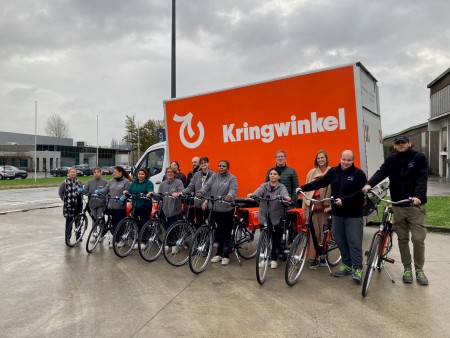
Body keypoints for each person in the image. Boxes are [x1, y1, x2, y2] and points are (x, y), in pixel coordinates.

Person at [362, 135, 429, 285]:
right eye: (397, 143)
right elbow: (381, 172)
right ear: (394, 145)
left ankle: (419, 269)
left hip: (415, 205)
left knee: (418, 239)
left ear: (409, 143)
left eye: (403, 142)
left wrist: (418, 195)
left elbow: (422, 178)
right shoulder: (392, 159)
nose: (400, 145)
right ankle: (407, 268)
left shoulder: (418, 158)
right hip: (398, 205)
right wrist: (369, 184)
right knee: (402, 238)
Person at [296, 150, 367, 284]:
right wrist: (302, 188)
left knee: (354, 242)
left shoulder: (358, 174)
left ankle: (357, 269)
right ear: (340, 158)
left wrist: (344, 200)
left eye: (349, 160)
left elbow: (360, 193)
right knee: (340, 240)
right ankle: (347, 265)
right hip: (338, 214)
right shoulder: (334, 172)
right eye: (344, 159)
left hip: (353, 214)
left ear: (353, 160)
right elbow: (320, 183)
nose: (346, 162)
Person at [248, 167, 291, 269]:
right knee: (264, 238)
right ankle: (264, 258)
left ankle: (274, 258)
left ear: (279, 176)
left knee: (275, 239)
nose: (272, 175)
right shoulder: (264, 186)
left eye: (275, 174)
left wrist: (286, 197)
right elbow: (258, 192)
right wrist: (253, 195)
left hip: (276, 217)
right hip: (264, 216)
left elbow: (285, 195)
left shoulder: (281, 187)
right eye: (271, 174)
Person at [198, 160, 238, 266]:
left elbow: (233, 189)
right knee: (218, 233)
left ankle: (226, 255)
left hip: (225, 210)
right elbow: (207, 186)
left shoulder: (232, 178)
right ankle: (218, 254)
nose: (221, 167)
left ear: (227, 167)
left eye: (223, 166)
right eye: (219, 165)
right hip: (214, 209)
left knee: (225, 233)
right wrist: (201, 191)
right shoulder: (214, 176)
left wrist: (229, 196)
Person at [302, 150, 332, 270]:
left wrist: (331, 206)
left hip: (325, 205)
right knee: (313, 233)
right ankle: (313, 258)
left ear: (326, 159)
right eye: (318, 158)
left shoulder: (331, 171)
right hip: (312, 204)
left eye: (322, 158)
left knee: (324, 233)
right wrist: (305, 207)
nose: (320, 160)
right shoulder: (312, 172)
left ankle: (323, 257)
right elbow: (306, 188)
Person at [173, 156, 214, 226]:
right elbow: (190, 187)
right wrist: (180, 193)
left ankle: (208, 236)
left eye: (205, 162)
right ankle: (199, 237)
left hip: (208, 204)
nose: (203, 164)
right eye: (202, 163)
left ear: (208, 163)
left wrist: (207, 201)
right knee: (198, 224)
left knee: (208, 225)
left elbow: (213, 190)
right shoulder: (196, 175)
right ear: (200, 164)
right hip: (198, 203)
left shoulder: (213, 175)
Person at [98, 166, 131, 246]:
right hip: (111, 207)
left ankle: (121, 240)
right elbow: (106, 189)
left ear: (120, 173)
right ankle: (115, 240)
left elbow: (128, 193)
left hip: (120, 207)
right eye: (113, 172)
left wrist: (123, 198)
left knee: (120, 224)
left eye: (115, 172)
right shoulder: (110, 181)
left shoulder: (126, 182)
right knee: (113, 224)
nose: (113, 173)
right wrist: (99, 191)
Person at [123, 168, 154, 246]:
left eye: (142, 174)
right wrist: (126, 192)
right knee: (136, 223)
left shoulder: (148, 183)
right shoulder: (134, 182)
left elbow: (150, 190)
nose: (140, 175)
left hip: (145, 205)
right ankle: (137, 239)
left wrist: (149, 193)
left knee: (144, 223)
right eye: (139, 174)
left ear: (145, 175)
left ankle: (144, 241)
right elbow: (130, 190)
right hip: (135, 205)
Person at [59, 167, 83, 240]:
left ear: (76, 173)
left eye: (74, 172)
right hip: (68, 205)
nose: (73, 173)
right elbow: (60, 193)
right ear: (68, 174)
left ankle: (78, 236)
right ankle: (68, 237)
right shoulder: (64, 183)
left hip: (78, 204)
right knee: (69, 221)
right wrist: (65, 200)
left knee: (78, 221)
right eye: (71, 172)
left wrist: (80, 192)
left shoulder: (79, 182)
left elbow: (82, 192)